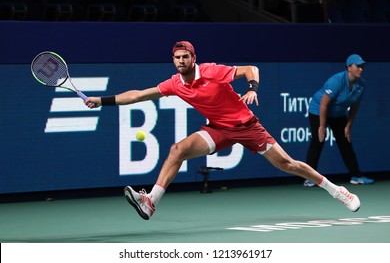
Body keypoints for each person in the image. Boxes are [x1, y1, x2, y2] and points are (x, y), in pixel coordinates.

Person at [84, 41, 361, 220]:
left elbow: (251, 69)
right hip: (218, 129)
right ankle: (150, 202)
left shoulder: (211, 71)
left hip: (246, 126)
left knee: (287, 164)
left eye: (186, 57)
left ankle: (338, 191)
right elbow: (139, 95)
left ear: (194, 57)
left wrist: (251, 89)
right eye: (177, 58)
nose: (181, 61)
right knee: (177, 150)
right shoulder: (174, 83)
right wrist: (101, 100)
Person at [304, 54, 374, 187]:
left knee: (345, 142)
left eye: (362, 66)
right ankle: (309, 178)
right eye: (357, 66)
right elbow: (324, 104)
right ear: (349, 67)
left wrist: (348, 125)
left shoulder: (361, 85)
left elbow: (355, 106)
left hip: (338, 115)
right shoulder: (336, 81)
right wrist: (322, 126)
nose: (361, 69)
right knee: (318, 141)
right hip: (318, 110)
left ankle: (356, 176)